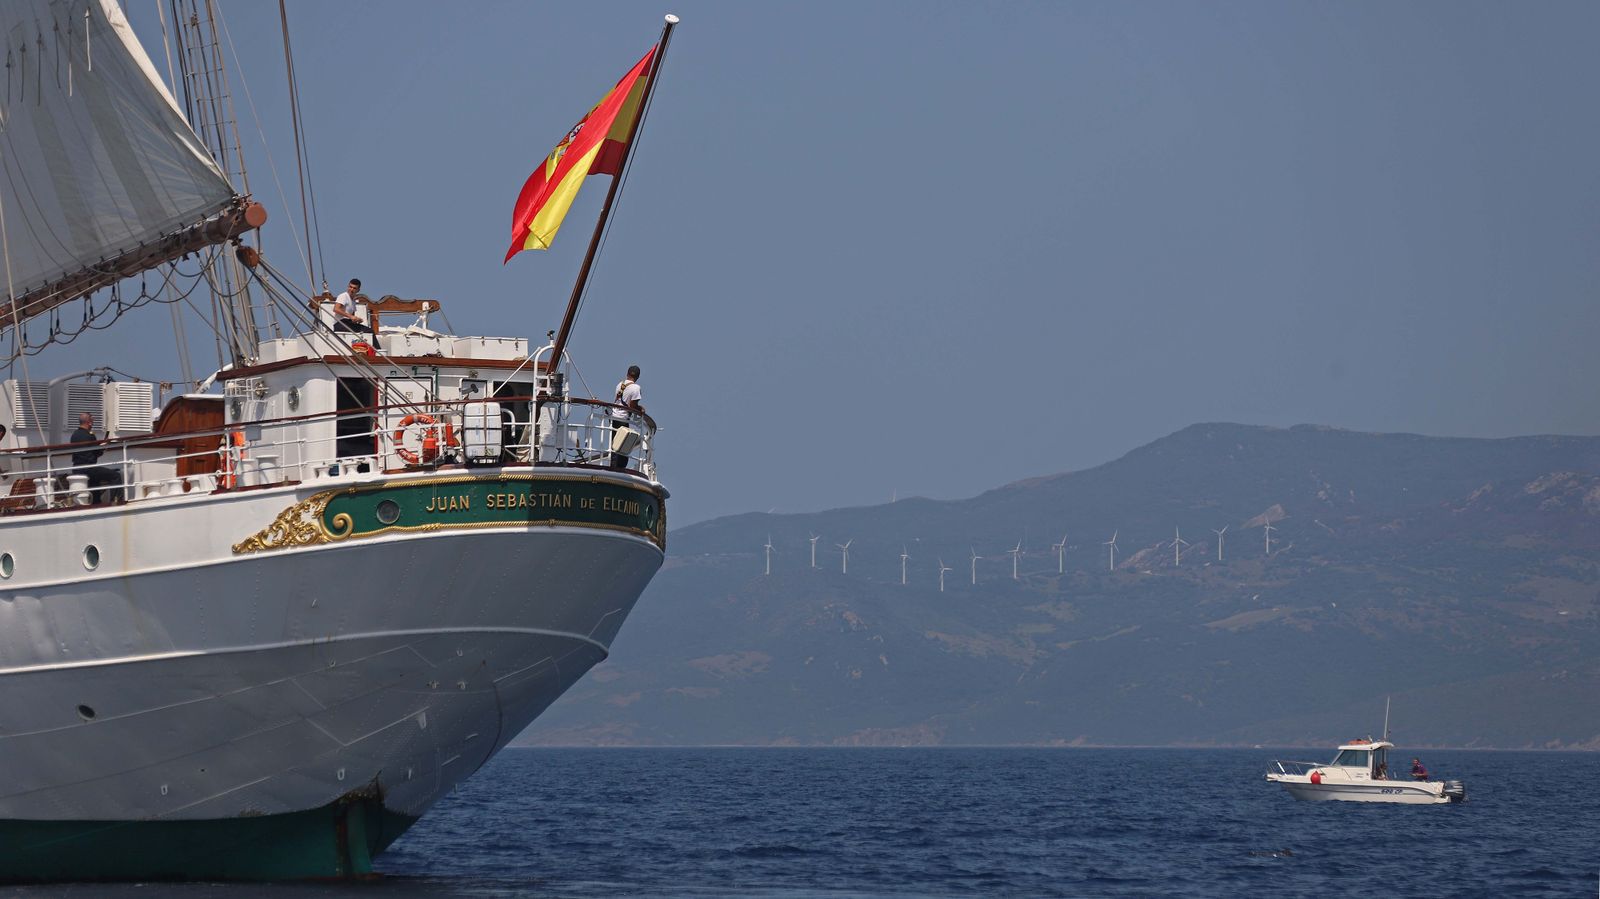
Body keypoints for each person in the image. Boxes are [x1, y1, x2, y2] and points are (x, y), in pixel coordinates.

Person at [70, 413, 124, 504]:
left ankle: (96, 502)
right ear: (89, 423)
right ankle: (116, 501)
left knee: (95, 482)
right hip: (88, 468)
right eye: (92, 422)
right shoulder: (90, 435)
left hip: (77, 468)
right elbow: (97, 452)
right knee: (115, 476)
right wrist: (104, 446)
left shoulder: (74, 435)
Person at [609, 365, 644, 470]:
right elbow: (632, 406)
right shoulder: (636, 388)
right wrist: (641, 409)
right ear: (638, 377)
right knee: (623, 447)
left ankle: (613, 465)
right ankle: (619, 468)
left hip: (614, 416)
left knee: (614, 443)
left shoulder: (620, 384)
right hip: (623, 418)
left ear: (627, 373)